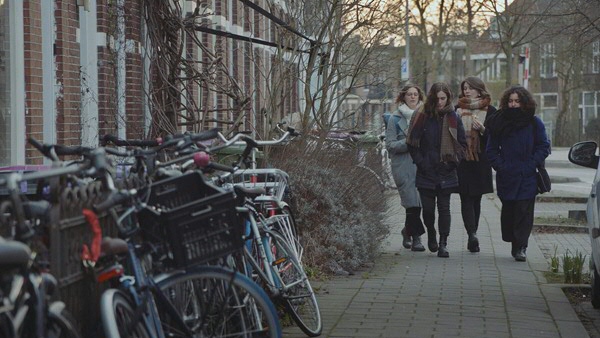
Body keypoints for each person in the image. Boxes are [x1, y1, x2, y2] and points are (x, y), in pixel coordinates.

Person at [486, 86, 550, 262]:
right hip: (506, 174)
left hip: (527, 174)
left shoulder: (534, 122)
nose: (513, 105)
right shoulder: (498, 121)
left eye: (517, 101)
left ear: (524, 102)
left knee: (524, 211)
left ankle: (521, 246)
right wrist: (501, 166)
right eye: (511, 101)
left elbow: (543, 146)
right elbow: (491, 149)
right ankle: (514, 241)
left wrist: (531, 165)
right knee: (509, 210)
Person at [407, 83, 467, 258]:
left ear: (448, 98)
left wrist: (452, 163)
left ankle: (443, 243)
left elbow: (462, 145)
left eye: (444, 98)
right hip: (426, 170)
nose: (440, 102)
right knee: (427, 210)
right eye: (437, 98)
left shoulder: (454, 117)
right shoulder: (422, 115)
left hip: (446, 170)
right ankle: (431, 232)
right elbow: (412, 143)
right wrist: (422, 163)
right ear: (432, 98)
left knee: (444, 208)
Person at [383, 84, 427, 252]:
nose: (413, 97)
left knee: (421, 203)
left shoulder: (426, 118)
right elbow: (390, 145)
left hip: (422, 166)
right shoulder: (394, 119)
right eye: (409, 94)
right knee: (411, 204)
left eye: (415, 94)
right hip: (403, 166)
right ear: (403, 97)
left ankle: (407, 231)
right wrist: (409, 141)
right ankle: (417, 238)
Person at [456, 77, 496, 253]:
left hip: (481, 161)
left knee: (477, 199)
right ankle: (472, 234)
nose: (466, 91)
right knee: (465, 197)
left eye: (470, 88)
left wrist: (482, 130)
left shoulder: (491, 111)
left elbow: (495, 138)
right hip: (463, 160)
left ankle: (474, 232)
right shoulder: (457, 110)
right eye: (464, 88)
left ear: (479, 90)